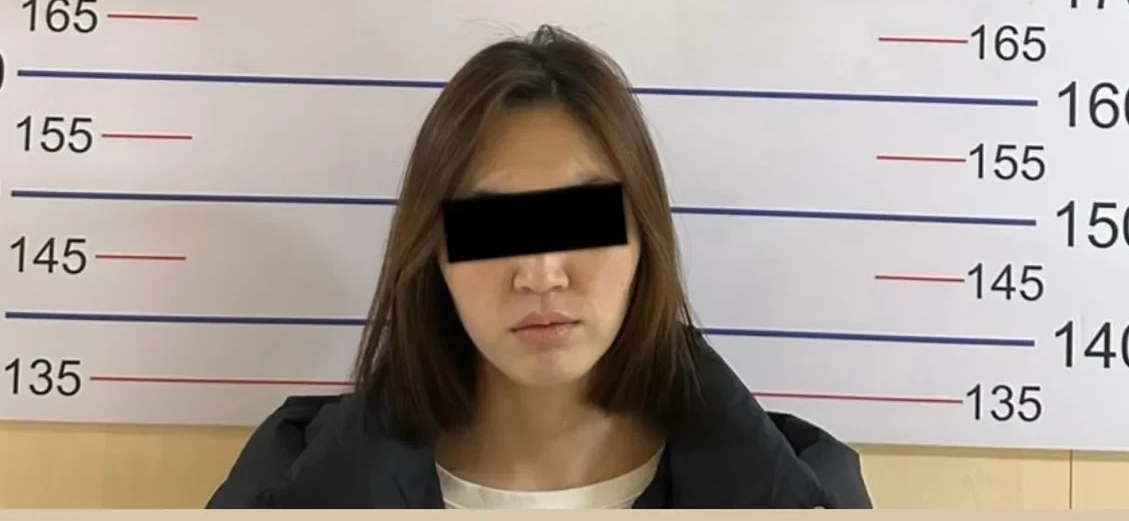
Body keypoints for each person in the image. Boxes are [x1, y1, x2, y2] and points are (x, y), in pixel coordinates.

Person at [206, 26, 873, 509]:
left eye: (582, 221)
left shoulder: (805, 490)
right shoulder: (287, 481)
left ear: (645, 239)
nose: (541, 274)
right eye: (494, 228)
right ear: (434, 253)